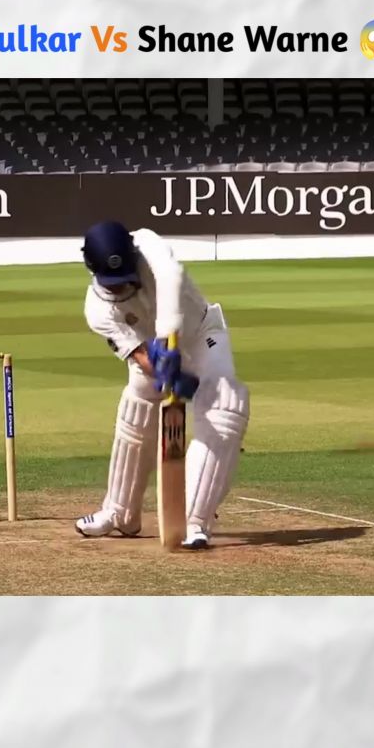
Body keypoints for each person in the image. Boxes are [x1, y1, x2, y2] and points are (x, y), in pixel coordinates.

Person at [75, 221, 249, 549]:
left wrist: (167, 336)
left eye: (126, 278)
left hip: (202, 336)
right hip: (154, 355)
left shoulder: (147, 243)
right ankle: (119, 512)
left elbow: (170, 275)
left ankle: (195, 521)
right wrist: (167, 373)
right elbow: (138, 355)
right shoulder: (97, 310)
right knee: (138, 404)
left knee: (225, 406)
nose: (122, 288)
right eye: (114, 283)